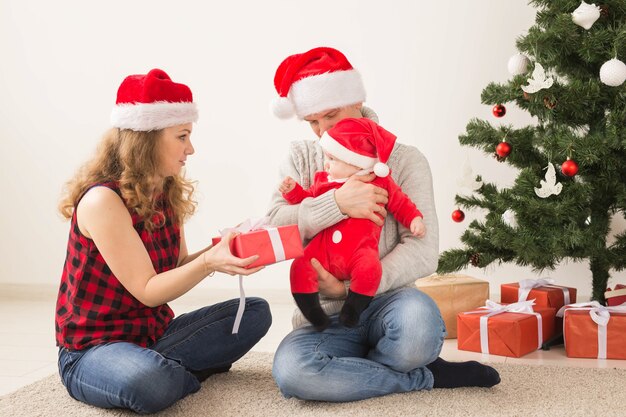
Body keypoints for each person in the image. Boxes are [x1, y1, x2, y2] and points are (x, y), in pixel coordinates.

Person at [268, 47, 500, 402]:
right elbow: (273, 230)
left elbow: (424, 251)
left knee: (417, 332)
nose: (322, 132)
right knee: (293, 372)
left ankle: (361, 371)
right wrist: (336, 203)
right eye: (312, 122)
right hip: (326, 320)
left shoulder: (405, 160)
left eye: (330, 115)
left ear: (357, 99)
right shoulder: (300, 157)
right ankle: (421, 377)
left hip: (393, 305)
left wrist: (352, 289)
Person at [55, 68, 272, 414]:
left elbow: (176, 268)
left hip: (154, 335)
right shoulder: (102, 201)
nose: (191, 149)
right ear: (148, 138)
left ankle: (167, 367)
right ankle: (173, 372)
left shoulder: (165, 190)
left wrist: (221, 251)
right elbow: (148, 289)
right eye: (182, 136)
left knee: (256, 312)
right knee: (148, 382)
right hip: (93, 349)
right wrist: (208, 263)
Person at [280, 117, 426, 331]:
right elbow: (306, 198)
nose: (326, 163)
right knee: (300, 266)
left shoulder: (380, 182)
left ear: (356, 162)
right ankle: (314, 313)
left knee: (369, 269)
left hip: (360, 252)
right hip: (323, 251)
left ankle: (353, 309)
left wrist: (414, 219)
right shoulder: (323, 180)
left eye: (333, 159)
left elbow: (400, 202)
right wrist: (293, 191)